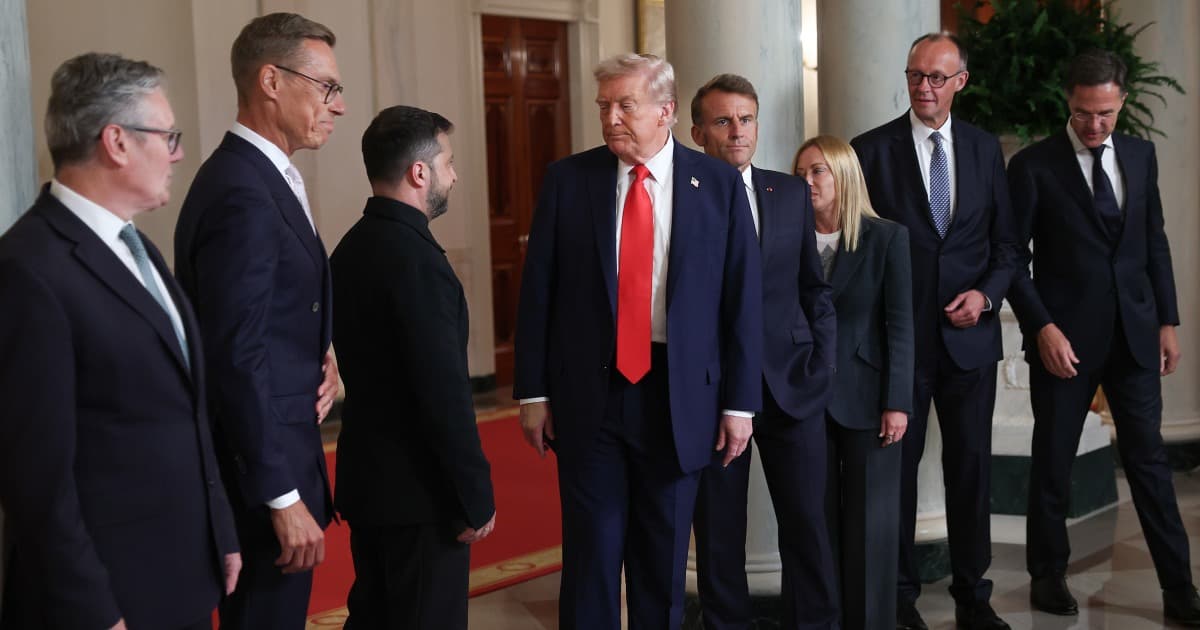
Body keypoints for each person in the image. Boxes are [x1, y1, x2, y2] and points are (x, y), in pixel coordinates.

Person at [514, 53, 762, 630]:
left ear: (667, 111)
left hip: (680, 399)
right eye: (605, 106)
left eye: (626, 105)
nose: (612, 118)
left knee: (662, 559)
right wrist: (531, 392)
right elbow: (538, 294)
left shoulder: (720, 186)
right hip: (589, 398)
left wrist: (738, 404)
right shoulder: (568, 181)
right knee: (592, 559)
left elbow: (741, 304)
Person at [0, 52, 240, 630]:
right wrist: (92, 610)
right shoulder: (29, 269)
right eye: (168, 135)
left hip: (177, 574)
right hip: (105, 598)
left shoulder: (136, 247)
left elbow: (180, 409)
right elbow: (36, 479)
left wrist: (220, 531)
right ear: (117, 142)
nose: (179, 153)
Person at [1007, 49, 1200, 626]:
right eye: (1085, 113)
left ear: (1122, 101)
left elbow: (1154, 241)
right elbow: (1013, 259)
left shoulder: (1141, 156)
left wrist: (1166, 320)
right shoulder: (1034, 166)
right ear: (1069, 100)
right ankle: (1048, 574)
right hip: (1062, 340)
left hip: (1135, 337)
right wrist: (1041, 327)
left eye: (1106, 114)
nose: (1095, 125)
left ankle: (1178, 587)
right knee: (1053, 462)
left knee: (1149, 464)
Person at [174, 12, 344, 628]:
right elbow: (233, 353)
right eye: (326, 86)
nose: (339, 105)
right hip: (261, 478)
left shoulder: (263, 176)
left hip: (276, 447)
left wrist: (318, 356)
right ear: (271, 81)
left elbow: (270, 319)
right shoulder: (243, 189)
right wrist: (281, 494)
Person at [850, 32, 1015, 630]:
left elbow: (1006, 247)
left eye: (936, 78)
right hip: (899, 346)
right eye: (915, 75)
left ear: (960, 82)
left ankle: (975, 596)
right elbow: (856, 249)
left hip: (970, 344)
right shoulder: (870, 150)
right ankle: (898, 599)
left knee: (970, 472)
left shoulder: (982, 149)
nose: (923, 87)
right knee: (894, 475)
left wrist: (987, 295)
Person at [330, 105, 497, 629]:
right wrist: (474, 495)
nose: (454, 173)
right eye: (447, 161)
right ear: (418, 172)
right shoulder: (417, 260)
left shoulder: (351, 247)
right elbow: (442, 393)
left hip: (371, 484)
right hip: (422, 497)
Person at [688, 74, 839, 630]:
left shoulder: (789, 191)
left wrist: (822, 363)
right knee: (720, 528)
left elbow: (813, 288)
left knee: (806, 522)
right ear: (698, 130)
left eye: (746, 119)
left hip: (792, 384)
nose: (737, 132)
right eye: (722, 121)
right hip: (715, 390)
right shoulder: (681, 198)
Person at [794, 136, 914, 630]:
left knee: (870, 527)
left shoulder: (886, 237)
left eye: (818, 171)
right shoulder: (787, 237)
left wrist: (898, 402)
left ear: (843, 176)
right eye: (800, 172)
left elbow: (900, 325)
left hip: (868, 397)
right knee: (813, 524)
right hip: (801, 397)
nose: (807, 181)